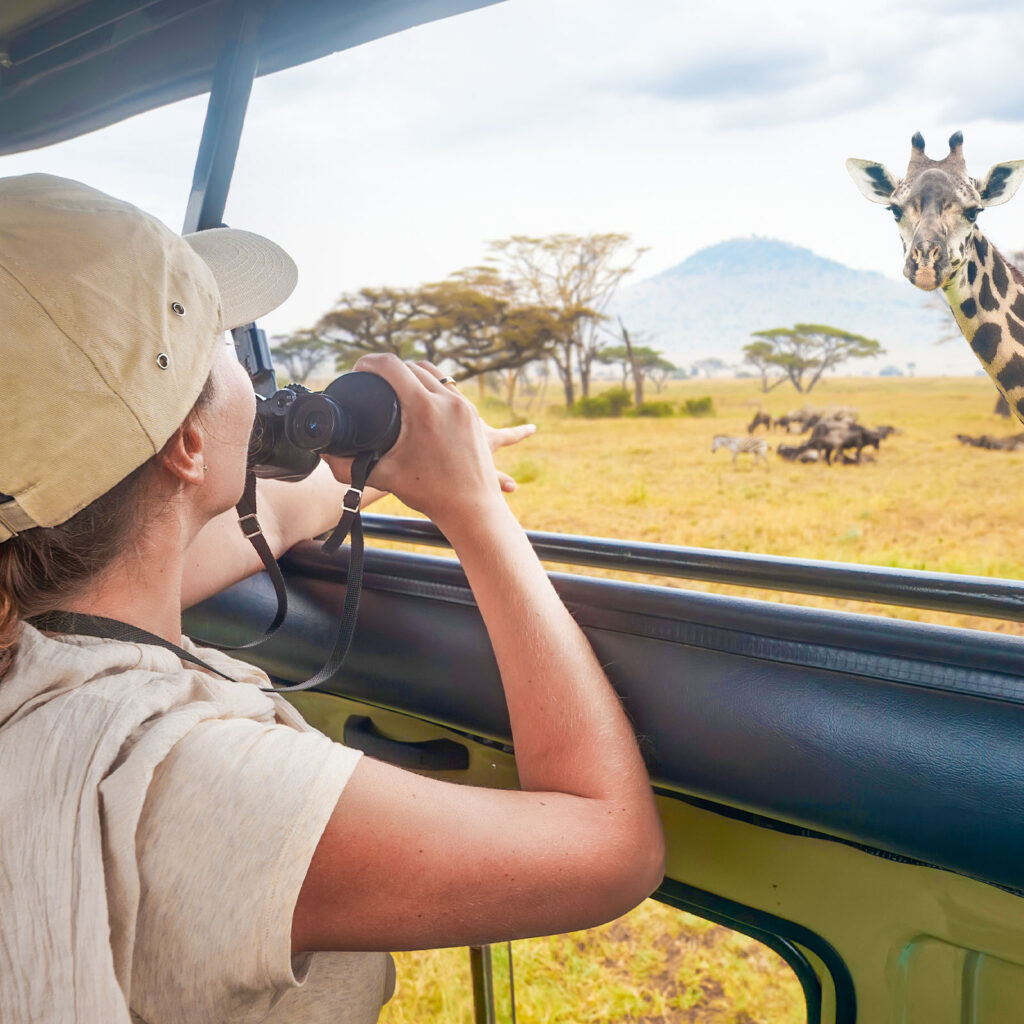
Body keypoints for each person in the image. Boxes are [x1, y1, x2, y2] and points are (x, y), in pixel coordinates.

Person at [0, 174, 665, 1024]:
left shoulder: (31, 615)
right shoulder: (187, 782)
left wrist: (388, 466)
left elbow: (266, 514)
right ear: (188, 443)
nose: (250, 371)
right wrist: (475, 511)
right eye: (220, 345)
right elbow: (613, 850)